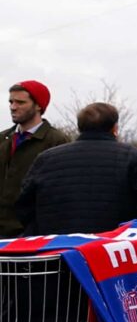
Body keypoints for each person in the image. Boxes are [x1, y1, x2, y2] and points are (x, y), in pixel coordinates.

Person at [14, 100, 137, 236]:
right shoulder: (135, 158)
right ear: (114, 128)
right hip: (114, 246)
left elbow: (24, 205)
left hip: (57, 246)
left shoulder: (46, 159)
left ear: (80, 127)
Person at [2, 80, 73, 238]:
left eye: (20, 102)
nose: (13, 107)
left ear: (38, 106)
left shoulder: (56, 141)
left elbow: (62, 190)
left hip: (32, 234)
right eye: (11, 102)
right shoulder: (3, 139)